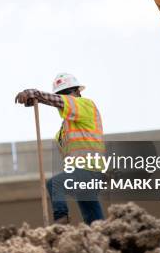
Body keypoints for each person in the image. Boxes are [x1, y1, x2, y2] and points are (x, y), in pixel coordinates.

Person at [15, 73, 105, 224]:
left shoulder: (86, 105)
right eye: (61, 94)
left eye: (67, 93)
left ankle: (61, 222)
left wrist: (35, 94)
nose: (65, 98)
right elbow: (56, 102)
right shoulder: (65, 129)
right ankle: (103, 237)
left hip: (90, 170)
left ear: (78, 92)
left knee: (55, 183)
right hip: (82, 173)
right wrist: (38, 100)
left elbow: (57, 101)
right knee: (93, 219)